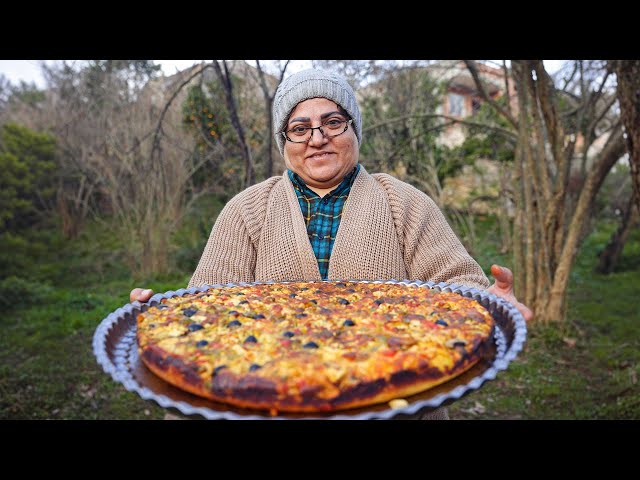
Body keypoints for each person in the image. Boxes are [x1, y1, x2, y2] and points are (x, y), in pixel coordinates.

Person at [130, 68, 533, 419]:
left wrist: (492, 301)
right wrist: (163, 316)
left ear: (354, 128)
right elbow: (206, 306)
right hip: (268, 404)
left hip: (396, 402)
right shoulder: (246, 210)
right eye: (300, 128)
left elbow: (456, 285)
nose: (317, 138)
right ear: (284, 141)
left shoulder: (404, 203)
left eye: (333, 122)